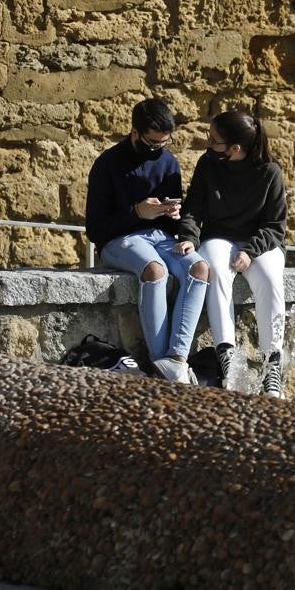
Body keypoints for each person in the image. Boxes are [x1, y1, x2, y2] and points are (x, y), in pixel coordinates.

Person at [85, 98, 209, 384]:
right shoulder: (107, 164)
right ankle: (160, 364)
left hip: (160, 237)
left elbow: (172, 224)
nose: (157, 149)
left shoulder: (169, 163)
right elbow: (96, 229)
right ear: (135, 133)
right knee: (155, 271)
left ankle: (175, 360)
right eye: (152, 143)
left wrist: (173, 214)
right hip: (120, 240)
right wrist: (137, 212)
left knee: (199, 269)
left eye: (163, 143)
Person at [184, 109, 287, 398]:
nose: (208, 144)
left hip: (261, 242)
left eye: (214, 140)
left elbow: (276, 226)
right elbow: (194, 206)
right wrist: (189, 238)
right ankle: (226, 354)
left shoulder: (270, 172)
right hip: (219, 237)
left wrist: (250, 251)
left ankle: (272, 365)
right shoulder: (208, 164)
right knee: (215, 268)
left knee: (269, 278)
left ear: (235, 148)